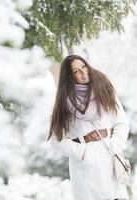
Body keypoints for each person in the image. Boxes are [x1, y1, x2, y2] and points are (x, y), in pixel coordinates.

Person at [47, 55, 130, 200]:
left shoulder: (104, 90)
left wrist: (115, 145)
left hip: (110, 156)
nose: (83, 73)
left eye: (83, 66)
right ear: (69, 78)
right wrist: (83, 153)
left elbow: (121, 122)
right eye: (76, 72)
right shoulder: (64, 103)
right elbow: (56, 139)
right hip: (85, 166)